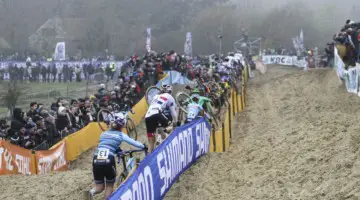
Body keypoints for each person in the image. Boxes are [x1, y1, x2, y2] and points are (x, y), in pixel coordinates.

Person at [87, 113, 146, 200]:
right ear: (121, 126)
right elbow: (135, 143)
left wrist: (116, 149)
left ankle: (91, 192)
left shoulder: (103, 134)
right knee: (109, 186)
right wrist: (143, 146)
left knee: (99, 187)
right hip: (108, 160)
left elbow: (107, 144)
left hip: (96, 159)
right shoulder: (121, 135)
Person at [145, 84, 178, 153]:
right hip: (157, 114)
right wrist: (176, 122)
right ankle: (163, 132)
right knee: (171, 125)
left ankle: (149, 158)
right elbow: (173, 113)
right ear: (170, 91)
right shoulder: (170, 97)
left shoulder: (156, 96)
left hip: (147, 116)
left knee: (151, 141)